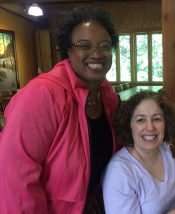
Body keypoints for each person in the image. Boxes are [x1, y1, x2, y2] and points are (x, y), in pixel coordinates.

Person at [0, 8, 123, 213]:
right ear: (68, 50)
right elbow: (15, 179)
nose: (97, 54)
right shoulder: (42, 95)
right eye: (84, 45)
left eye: (104, 46)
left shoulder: (108, 96)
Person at [102, 91, 175, 214]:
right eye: (141, 120)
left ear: (166, 122)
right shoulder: (119, 173)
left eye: (156, 119)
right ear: (128, 125)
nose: (150, 127)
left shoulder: (163, 148)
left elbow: (174, 182)